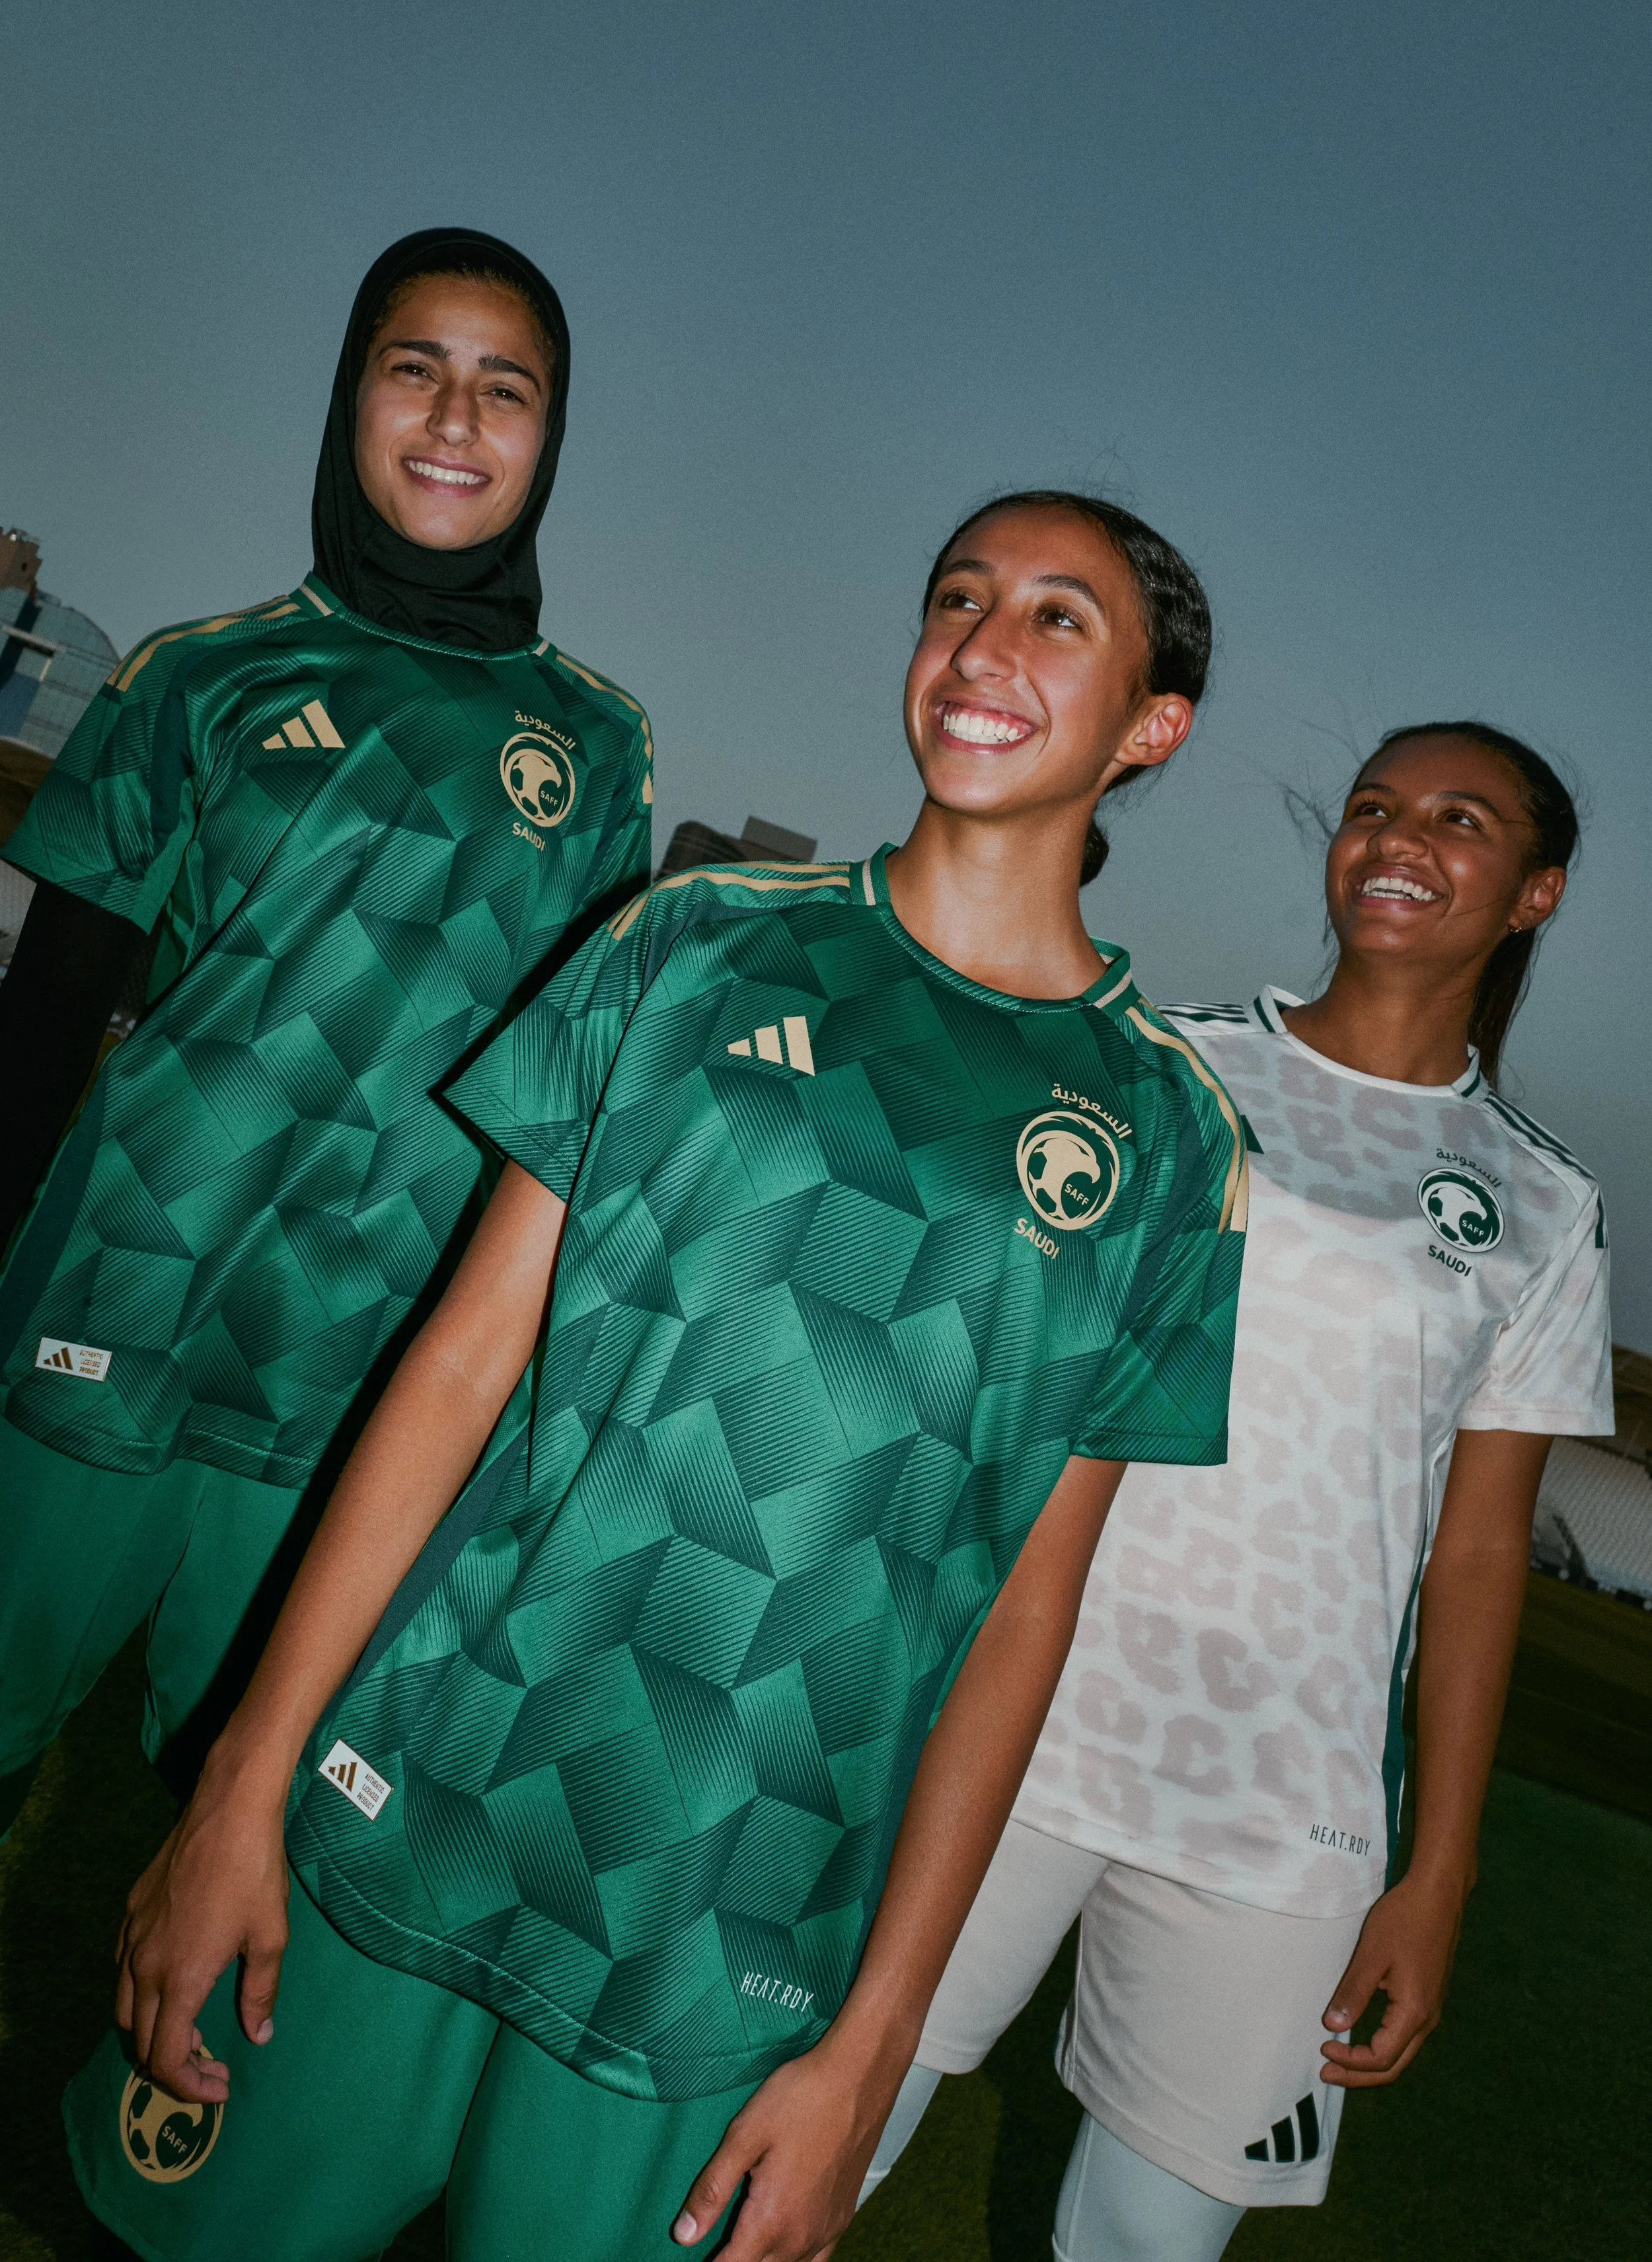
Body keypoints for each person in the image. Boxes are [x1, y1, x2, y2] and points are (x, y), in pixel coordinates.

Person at [70, 491, 1248, 2261]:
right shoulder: (691, 938)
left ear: (1151, 726)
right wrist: (243, 1780)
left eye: (1057, 617)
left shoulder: (1165, 1133)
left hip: (727, 1933)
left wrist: (865, 2050)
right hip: (415, 1798)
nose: (981, 644)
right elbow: (459, 1363)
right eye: (955, 595)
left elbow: (1021, 1617)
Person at [860, 720, 1612, 2258]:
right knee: (825, 2139)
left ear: (1533, 892)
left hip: (1285, 1808)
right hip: (1018, 1717)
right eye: (1373, 807)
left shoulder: (1542, 1205)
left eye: (1458, 821)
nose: (1399, 840)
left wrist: (1439, 1869)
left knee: (1146, 2243)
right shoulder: (1166, 1068)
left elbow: (1474, 1558)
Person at [0, 230, 654, 1834]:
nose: (454, 418)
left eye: (505, 390)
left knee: (225, 1832)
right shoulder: (198, 677)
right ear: (350, 395)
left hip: (361, 1380)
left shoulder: (599, 741)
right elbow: (42, 1028)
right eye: (412, 367)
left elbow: (559, 1122)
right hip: (118, 1304)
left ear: (549, 439)